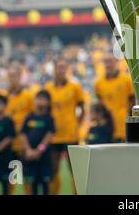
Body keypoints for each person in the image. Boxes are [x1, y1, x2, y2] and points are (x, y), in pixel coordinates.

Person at [45, 57, 84, 194]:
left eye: (63, 67)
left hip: (70, 134)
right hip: (54, 136)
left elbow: (82, 108)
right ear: (54, 69)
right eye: (58, 67)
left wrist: (76, 124)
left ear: (66, 70)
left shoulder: (75, 87)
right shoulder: (48, 88)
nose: (61, 70)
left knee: (74, 170)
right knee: (53, 169)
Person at [4, 63, 35, 194]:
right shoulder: (5, 97)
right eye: (10, 76)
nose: (12, 78)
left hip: (24, 141)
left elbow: (34, 117)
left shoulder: (28, 96)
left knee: (27, 175)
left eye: (14, 76)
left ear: (20, 76)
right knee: (11, 175)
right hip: (9, 142)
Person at [21, 90, 55, 195]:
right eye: (38, 98)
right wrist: (28, 150)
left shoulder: (49, 118)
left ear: (48, 102)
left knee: (45, 185)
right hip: (30, 157)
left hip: (44, 157)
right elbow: (23, 134)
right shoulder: (29, 117)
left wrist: (39, 151)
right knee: (32, 185)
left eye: (43, 99)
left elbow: (49, 135)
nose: (40, 101)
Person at [94, 53, 134, 142]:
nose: (108, 64)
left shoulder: (127, 80)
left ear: (116, 62)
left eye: (110, 61)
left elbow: (133, 102)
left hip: (122, 125)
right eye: (105, 62)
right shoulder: (99, 83)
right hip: (106, 127)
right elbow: (99, 105)